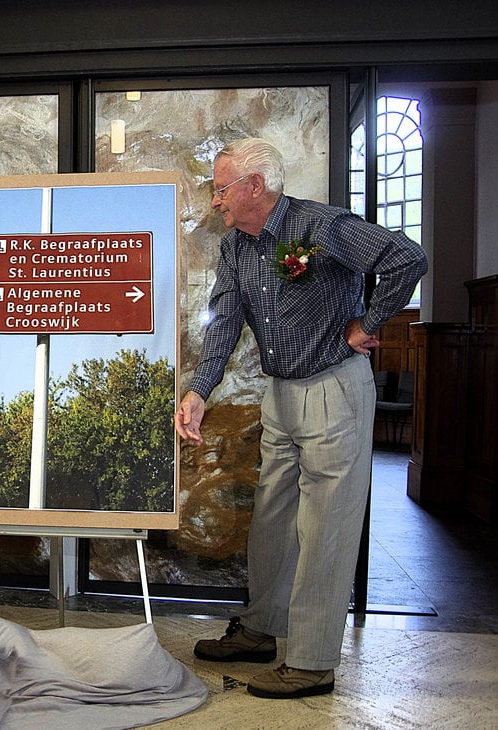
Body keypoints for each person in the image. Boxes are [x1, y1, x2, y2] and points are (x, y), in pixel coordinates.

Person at [175, 138, 427, 699]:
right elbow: (224, 321)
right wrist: (199, 390)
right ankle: (262, 629)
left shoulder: (323, 226)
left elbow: (407, 258)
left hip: (334, 389)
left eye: (221, 189)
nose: (216, 201)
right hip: (281, 395)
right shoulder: (236, 248)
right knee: (272, 519)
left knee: (326, 526)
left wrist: (368, 323)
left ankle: (312, 661)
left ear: (254, 186)